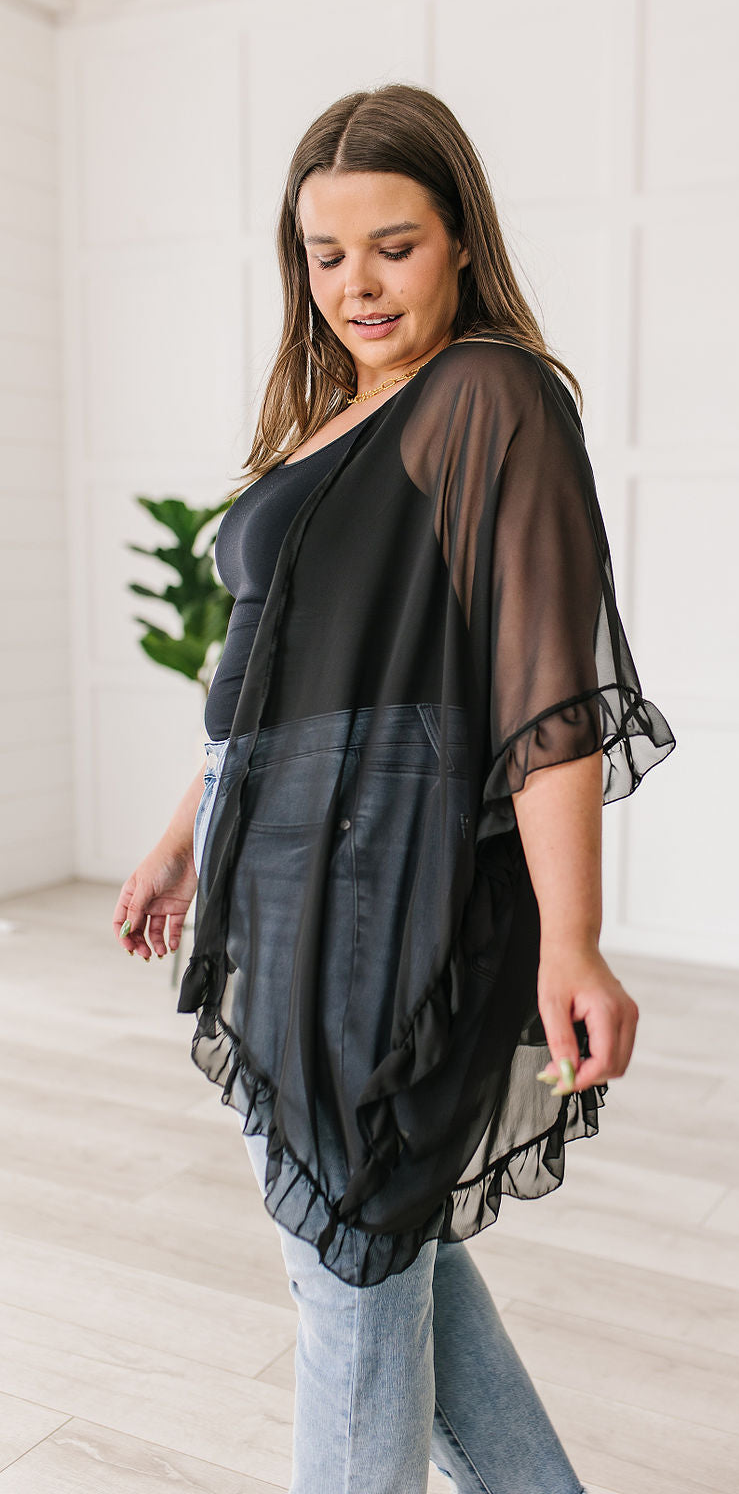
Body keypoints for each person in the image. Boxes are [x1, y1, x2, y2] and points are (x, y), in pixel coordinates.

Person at [112, 83, 675, 1494]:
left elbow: (548, 696)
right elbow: (262, 674)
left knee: (351, 1270)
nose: (356, 283)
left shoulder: (486, 396)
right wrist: (186, 837)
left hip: (397, 887)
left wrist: (572, 938)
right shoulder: (329, 417)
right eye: (326, 253)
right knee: (367, 1253)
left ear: (462, 241)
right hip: (280, 878)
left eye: (394, 247)